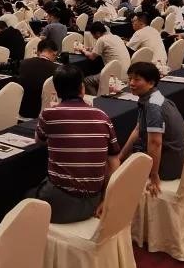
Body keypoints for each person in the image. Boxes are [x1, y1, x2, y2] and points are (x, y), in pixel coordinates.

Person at [30, 64, 121, 223]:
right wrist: (106, 199)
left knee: (22, 197)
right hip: (95, 201)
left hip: (58, 203)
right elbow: (114, 162)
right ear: (82, 88)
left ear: (57, 91)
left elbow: (39, 142)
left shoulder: (49, 114)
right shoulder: (102, 116)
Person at [121, 61, 184, 194]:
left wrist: (154, 175)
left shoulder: (153, 106)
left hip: (169, 166)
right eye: (130, 79)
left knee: (120, 174)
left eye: (137, 79)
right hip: (178, 157)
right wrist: (121, 156)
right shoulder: (155, 97)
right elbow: (138, 128)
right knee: (122, 159)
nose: (131, 83)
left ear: (151, 83)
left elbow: (155, 143)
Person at [18, 39, 59, 118]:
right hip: (45, 113)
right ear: (54, 53)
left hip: (22, 110)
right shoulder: (57, 69)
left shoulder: (23, 63)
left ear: (38, 52)